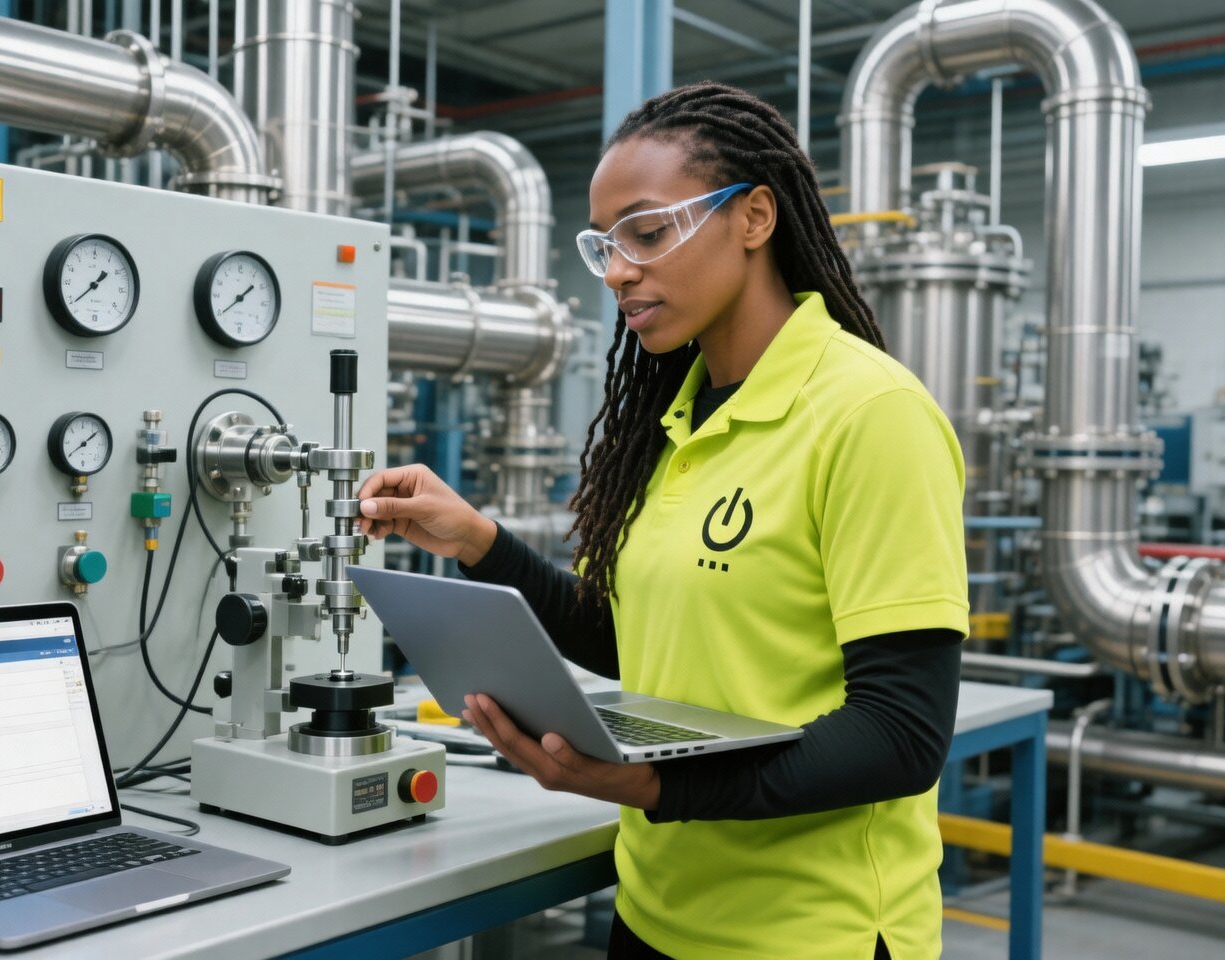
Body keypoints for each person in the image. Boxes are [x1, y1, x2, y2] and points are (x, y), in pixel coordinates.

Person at [357, 81, 967, 960]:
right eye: (605, 245)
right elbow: (634, 641)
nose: (615, 271)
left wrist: (648, 783)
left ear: (754, 217)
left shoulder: (870, 413)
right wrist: (480, 546)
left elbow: (899, 736)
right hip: (655, 913)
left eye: (647, 233)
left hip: (808, 934)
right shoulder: (679, 419)